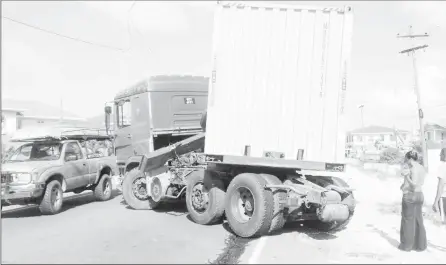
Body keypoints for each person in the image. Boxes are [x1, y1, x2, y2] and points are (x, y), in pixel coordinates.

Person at [399, 150, 427, 252]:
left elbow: (413, 184)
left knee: (407, 220)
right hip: (420, 195)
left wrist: (406, 176)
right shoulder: (421, 167)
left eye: (406, 158)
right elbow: (420, 183)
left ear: (410, 158)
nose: (406, 161)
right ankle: (420, 245)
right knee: (418, 219)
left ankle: (407, 246)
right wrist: (404, 184)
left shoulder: (413, 168)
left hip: (411, 195)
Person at [432, 148, 446, 223]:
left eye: (441, 154)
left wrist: (435, 201)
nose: (440, 156)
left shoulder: (442, 167)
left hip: (444, 198)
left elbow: (441, 186)